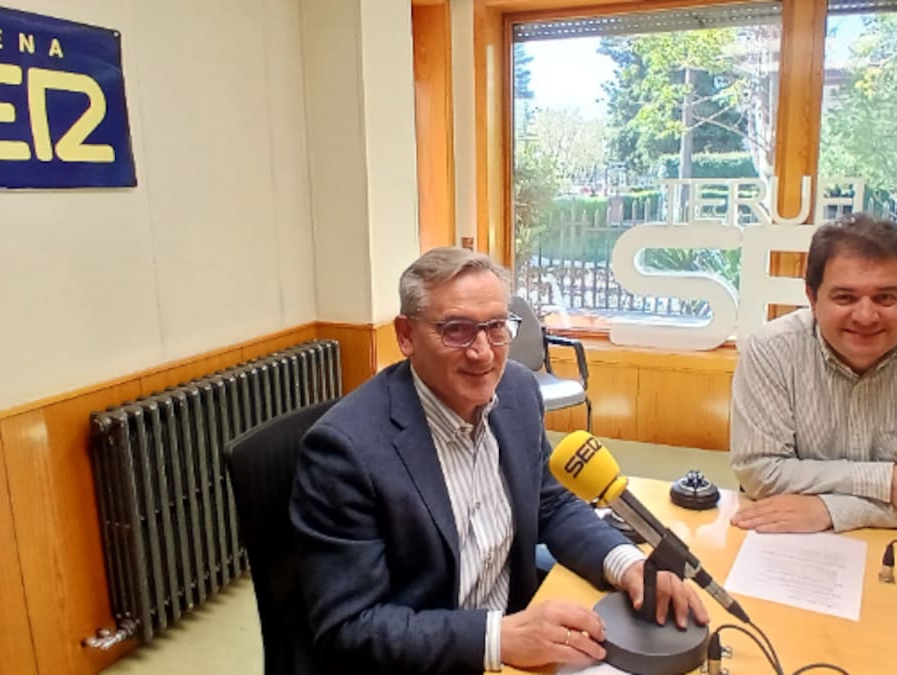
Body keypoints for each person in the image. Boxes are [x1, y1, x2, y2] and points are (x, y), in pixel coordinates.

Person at [290, 247, 707, 675]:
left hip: (518, 641)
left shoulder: (517, 392)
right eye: (456, 331)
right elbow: (350, 629)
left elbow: (551, 503)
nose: (484, 353)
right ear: (406, 336)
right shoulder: (344, 451)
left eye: (496, 327)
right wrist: (498, 638)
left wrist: (627, 564)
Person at [730, 213, 897, 534]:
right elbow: (760, 471)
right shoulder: (771, 350)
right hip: (790, 541)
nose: (866, 316)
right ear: (812, 298)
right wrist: (892, 482)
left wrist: (830, 510)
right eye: (845, 297)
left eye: (885, 298)